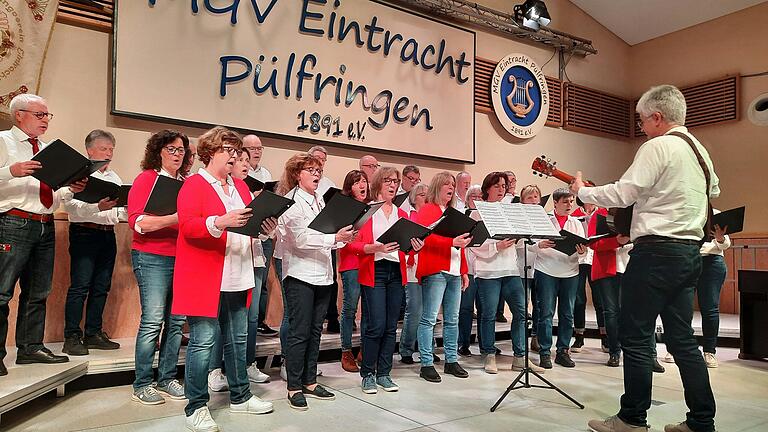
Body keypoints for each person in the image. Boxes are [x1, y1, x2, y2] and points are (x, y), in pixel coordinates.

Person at [579, 84, 719, 432]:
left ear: (658, 117)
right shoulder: (699, 151)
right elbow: (713, 190)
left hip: (655, 252)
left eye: (642, 120)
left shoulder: (657, 145)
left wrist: (582, 191)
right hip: (689, 253)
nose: (641, 126)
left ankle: (632, 419)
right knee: (683, 339)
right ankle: (701, 421)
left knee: (637, 335)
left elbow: (625, 192)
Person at [173, 127, 274, 431]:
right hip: (206, 275)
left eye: (236, 150)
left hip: (238, 273)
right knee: (203, 342)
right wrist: (219, 221)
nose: (235, 156)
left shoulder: (240, 187)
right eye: (229, 150)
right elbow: (188, 226)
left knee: (237, 340)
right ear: (210, 153)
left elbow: (247, 225)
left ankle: (241, 396)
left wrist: (264, 227)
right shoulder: (194, 184)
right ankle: (195, 406)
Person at [0, 94, 87, 376]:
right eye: (40, 115)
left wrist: (71, 188)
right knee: (2, 293)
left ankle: (30, 348)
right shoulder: (4, 142)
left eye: (48, 115)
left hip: (45, 223)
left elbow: (53, 195)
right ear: (19, 115)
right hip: (13, 221)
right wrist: (11, 171)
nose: (46, 121)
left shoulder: (49, 150)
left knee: (38, 291)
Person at [277, 152, 357, 410]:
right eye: (310, 170)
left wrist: (342, 237)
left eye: (318, 170)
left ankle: (310, 381)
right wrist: (335, 238)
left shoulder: (320, 201)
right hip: (299, 275)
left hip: (323, 274)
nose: (316, 174)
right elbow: (301, 239)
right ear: (296, 174)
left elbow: (327, 235)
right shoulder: (291, 202)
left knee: (314, 331)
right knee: (299, 332)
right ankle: (293, 386)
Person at [127, 129, 191, 404]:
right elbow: (138, 222)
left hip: (183, 257)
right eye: (172, 149)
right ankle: (142, 383)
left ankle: (166, 378)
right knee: (153, 321)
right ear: (158, 151)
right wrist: (176, 217)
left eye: (181, 150)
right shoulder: (147, 179)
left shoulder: (188, 183)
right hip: (151, 256)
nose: (178, 155)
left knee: (176, 322)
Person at [349, 167, 423, 393]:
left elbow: (406, 248)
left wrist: (414, 247)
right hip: (375, 269)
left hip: (395, 271)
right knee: (376, 324)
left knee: (391, 326)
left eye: (396, 181)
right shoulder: (367, 211)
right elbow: (351, 243)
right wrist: (372, 248)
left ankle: (384, 373)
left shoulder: (402, 214)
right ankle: (368, 374)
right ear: (378, 184)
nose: (393, 185)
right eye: (388, 181)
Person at [207, 148, 272, 392]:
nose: (244, 164)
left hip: (251, 258)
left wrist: (267, 224)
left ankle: (246, 364)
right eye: (239, 160)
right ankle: (215, 369)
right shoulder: (219, 189)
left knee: (251, 317)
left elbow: (255, 227)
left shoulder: (244, 190)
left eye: (247, 160)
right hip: (226, 259)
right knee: (220, 320)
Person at [471, 173, 544, 374]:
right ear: (487, 188)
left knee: (521, 313)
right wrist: (497, 246)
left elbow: (519, 242)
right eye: (497, 186)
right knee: (488, 315)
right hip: (488, 271)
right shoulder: (477, 212)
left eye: (504, 185)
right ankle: (489, 355)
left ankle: (520, 357)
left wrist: (524, 234)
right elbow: (474, 245)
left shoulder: (510, 210)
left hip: (510, 269)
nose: (502, 189)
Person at [61, 129, 125, 356]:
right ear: (89, 151)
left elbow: (115, 210)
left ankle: (93, 332)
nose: (108, 154)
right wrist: (97, 207)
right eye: (103, 149)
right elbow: (70, 206)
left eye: (110, 150)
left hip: (108, 234)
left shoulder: (114, 177)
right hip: (84, 233)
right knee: (80, 286)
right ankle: (71, 336)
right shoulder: (79, 175)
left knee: (101, 286)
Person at [414, 171, 472, 383]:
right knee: (429, 318)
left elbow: (462, 245)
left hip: (454, 271)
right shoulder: (428, 210)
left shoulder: (452, 211)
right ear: (438, 186)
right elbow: (425, 238)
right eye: (447, 183)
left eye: (453, 184)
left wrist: (464, 270)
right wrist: (451, 243)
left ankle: (451, 360)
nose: (450, 187)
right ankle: (426, 363)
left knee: (452, 319)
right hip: (435, 270)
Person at [531, 188, 587, 369]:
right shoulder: (545, 219)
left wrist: (582, 251)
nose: (569, 205)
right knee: (546, 313)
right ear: (555, 202)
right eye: (565, 202)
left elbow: (584, 247)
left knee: (567, 313)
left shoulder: (576, 223)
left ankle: (563, 351)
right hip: (546, 269)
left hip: (570, 271)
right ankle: (545, 352)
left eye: (571, 201)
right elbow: (530, 243)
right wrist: (540, 244)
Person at [242, 134, 278, 338]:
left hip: (262, 234)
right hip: (243, 236)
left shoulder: (265, 173)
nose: (256, 152)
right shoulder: (236, 180)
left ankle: (260, 321)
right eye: (251, 149)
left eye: (259, 148)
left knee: (261, 281)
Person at [399, 183, 437, 365]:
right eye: (421, 194)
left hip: (431, 268)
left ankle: (427, 349)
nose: (425, 197)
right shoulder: (408, 218)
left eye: (428, 194)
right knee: (415, 310)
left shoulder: (435, 218)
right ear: (413, 199)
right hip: (413, 269)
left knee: (430, 312)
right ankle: (406, 348)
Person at [338, 170, 370, 373]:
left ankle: (365, 348)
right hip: (351, 263)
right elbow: (344, 241)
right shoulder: (343, 209)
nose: (362, 185)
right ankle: (346, 350)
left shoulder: (372, 208)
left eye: (364, 181)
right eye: (357, 182)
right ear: (350, 187)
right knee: (349, 309)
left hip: (369, 262)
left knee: (368, 309)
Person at [307, 145, 340, 333]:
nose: (320, 162)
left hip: (329, 236)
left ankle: (332, 315)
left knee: (332, 278)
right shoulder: (302, 185)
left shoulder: (328, 182)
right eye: (316, 158)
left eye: (323, 160)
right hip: (311, 239)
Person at [570, 203, 602, 353]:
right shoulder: (575, 214)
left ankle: (605, 336)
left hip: (597, 258)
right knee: (579, 298)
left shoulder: (602, 213)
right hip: (580, 259)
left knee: (600, 298)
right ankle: (579, 336)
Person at [517, 185, 542, 351]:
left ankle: (536, 337)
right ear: (522, 201)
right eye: (529, 198)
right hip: (522, 267)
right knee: (522, 307)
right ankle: (521, 342)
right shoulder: (517, 218)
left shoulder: (544, 218)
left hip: (540, 267)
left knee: (539, 306)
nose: (533, 201)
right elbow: (518, 243)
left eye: (536, 197)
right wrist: (536, 245)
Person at [457, 184, 481, 357]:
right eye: (474, 196)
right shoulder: (462, 216)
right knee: (465, 308)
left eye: (480, 197)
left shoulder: (487, 216)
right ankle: (463, 343)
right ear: (467, 199)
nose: (477, 199)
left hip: (485, 267)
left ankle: (485, 344)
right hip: (468, 267)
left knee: (485, 308)